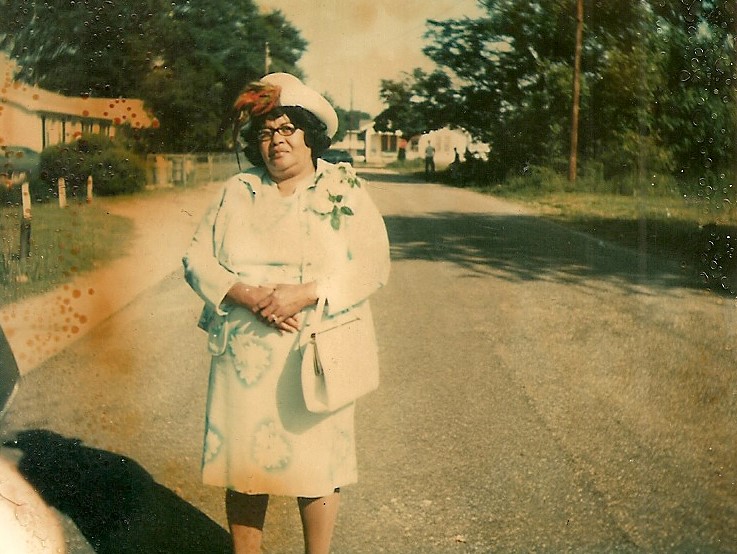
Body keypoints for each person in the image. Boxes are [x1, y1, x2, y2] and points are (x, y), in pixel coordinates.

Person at [182, 72, 390, 554]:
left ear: (309, 134)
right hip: (245, 356)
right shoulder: (237, 190)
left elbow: (373, 264)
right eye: (265, 132)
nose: (275, 140)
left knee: (318, 465)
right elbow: (196, 258)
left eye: (286, 128)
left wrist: (307, 293)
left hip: (316, 349)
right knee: (245, 468)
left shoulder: (343, 187)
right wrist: (244, 294)